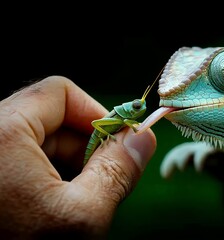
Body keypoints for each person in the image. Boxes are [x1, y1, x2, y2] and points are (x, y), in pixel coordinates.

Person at [0, 76, 157, 239]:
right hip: (97, 137)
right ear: (130, 108)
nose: (141, 108)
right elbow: (96, 123)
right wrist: (105, 136)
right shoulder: (122, 116)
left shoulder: (125, 118)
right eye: (138, 106)